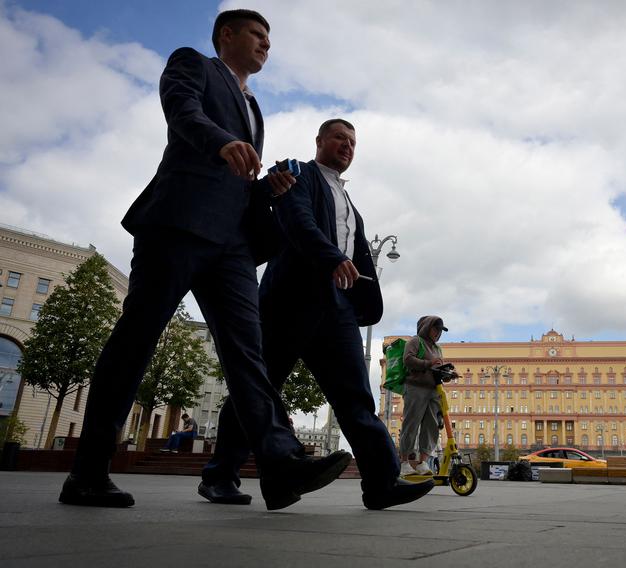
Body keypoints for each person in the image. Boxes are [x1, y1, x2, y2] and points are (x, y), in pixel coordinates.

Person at [60, 9, 352, 510]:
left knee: (248, 355)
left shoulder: (255, 108)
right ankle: (87, 472)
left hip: (233, 246)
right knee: (137, 339)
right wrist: (223, 141)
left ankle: (281, 468)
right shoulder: (192, 64)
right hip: (177, 224)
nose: (266, 44)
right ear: (227, 35)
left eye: (269, 37)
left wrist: (267, 189)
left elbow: (236, 180)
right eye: (258, 34)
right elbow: (183, 113)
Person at [204, 118, 434, 510]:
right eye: (339, 139)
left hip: (337, 308)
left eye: (353, 143)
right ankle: (220, 475)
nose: (347, 147)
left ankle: (381, 483)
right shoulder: (301, 174)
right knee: (259, 387)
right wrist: (331, 257)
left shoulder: (349, 202)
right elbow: (297, 221)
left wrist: (358, 291)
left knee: (356, 397)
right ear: (320, 141)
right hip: (290, 301)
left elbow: (355, 248)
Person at [399, 316, 449, 476]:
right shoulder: (415, 342)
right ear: (427, 327)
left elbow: (437, 368)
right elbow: (407, 360)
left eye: (440, 331)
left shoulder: (437, 349)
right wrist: (429, 364)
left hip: (434, 390)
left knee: (431, 426)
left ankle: (423, 463)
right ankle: (404, 463)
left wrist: (448, 373)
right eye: (436, 329)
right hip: (415, 388)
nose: (438, 333)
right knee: (411, 424)